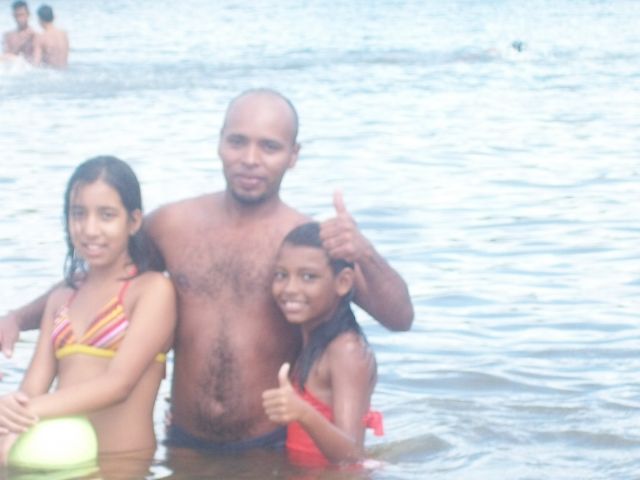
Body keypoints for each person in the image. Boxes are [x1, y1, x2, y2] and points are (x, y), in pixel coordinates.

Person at [0, 89, 413, 455]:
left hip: (267, 448)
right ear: (219, 143)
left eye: (269, 147)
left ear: (293, 155)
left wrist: (364, 252)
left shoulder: (308, 246)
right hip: (183, 444)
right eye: (237, 141)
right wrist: (18, 318)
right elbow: (99, 277)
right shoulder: (173, 226)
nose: (250, 159)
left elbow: (399, 318)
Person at [0, 156, 176, 471]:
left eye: (106, 215)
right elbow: (32, 389)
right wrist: (10, 425)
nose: (90, 230)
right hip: (60, 464)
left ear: (134, 221)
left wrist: (25, 410)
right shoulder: (62, 297)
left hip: (124, 465)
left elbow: (118, 385)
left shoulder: (151, 291)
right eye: (78, 214)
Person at [262, 222, 383, 467]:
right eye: (281, 275)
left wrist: (303, 412)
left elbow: (352, 455)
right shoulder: (312, 339)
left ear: (343, 282)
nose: (290, 288)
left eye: (308, 277)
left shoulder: (346, 351)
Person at [31, 4, 68, 69]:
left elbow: (36, 63)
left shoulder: (41, 38)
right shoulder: (64, 34)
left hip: (50, 73)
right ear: (53, 17)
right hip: (65, 71)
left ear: (40, 19)